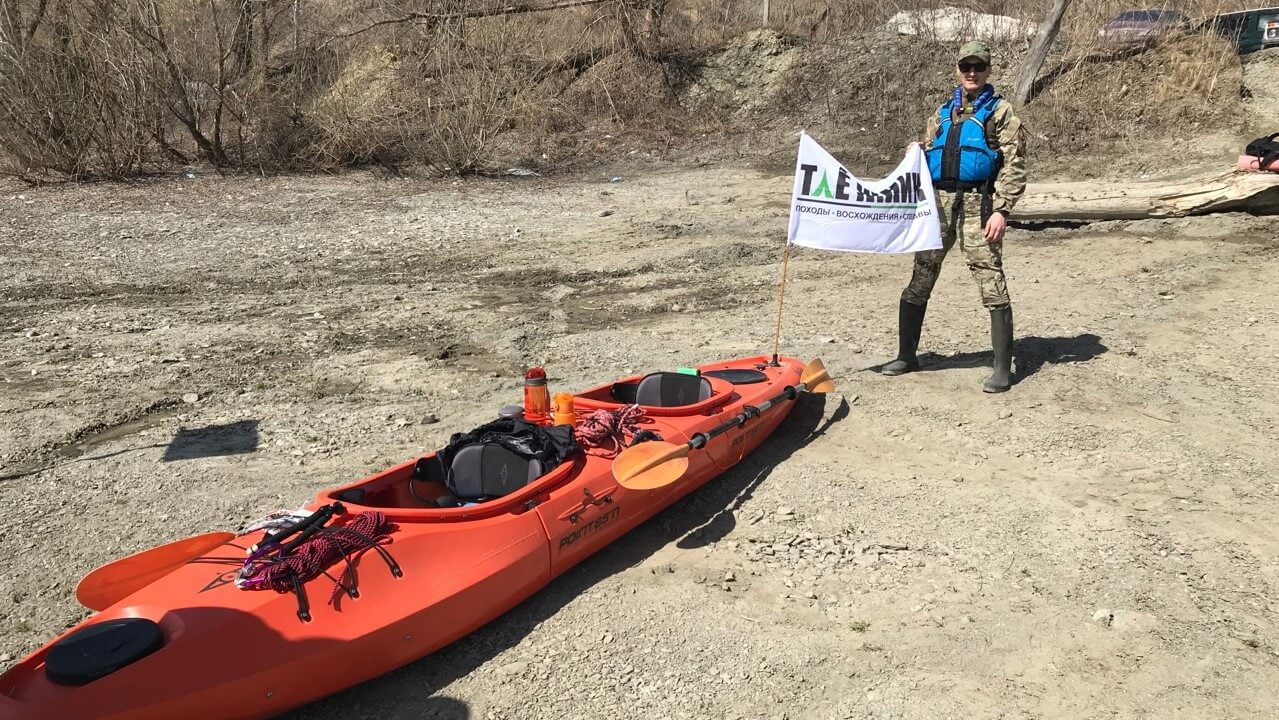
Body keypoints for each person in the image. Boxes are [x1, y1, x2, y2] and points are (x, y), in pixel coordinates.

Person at [881, 40, 1028, 393]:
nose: (972, 73)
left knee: (989, 277)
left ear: (988, 70)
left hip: (979, 205)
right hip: (939, 206)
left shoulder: (1001, 112)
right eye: (966, 67)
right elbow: (929, 153)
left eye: (978, 66)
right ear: (958, 70)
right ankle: (906, 355)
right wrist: (914, 152)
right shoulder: (942, 112)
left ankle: (1001, 367)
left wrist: (1002, 210)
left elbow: (1016, 165)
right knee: (922, 273)